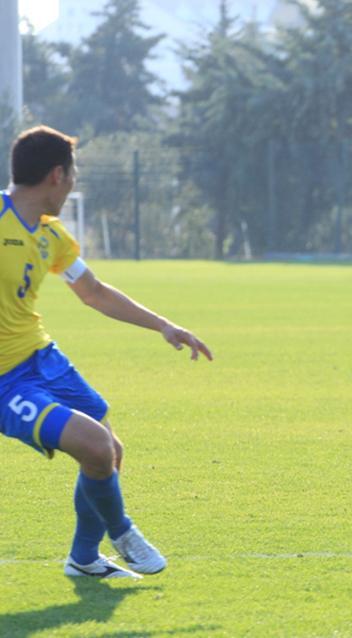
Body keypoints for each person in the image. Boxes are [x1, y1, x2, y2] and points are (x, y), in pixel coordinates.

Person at [2, 126, 213, 577]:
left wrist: (164, 325)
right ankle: (123, 531)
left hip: (43, 359)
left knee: (110, 452)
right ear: (57, 175)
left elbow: (93, 292)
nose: (74, 183)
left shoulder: (50, 235)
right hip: (5, 382)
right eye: (73, 174)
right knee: (96, 446)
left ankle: (83, 559)